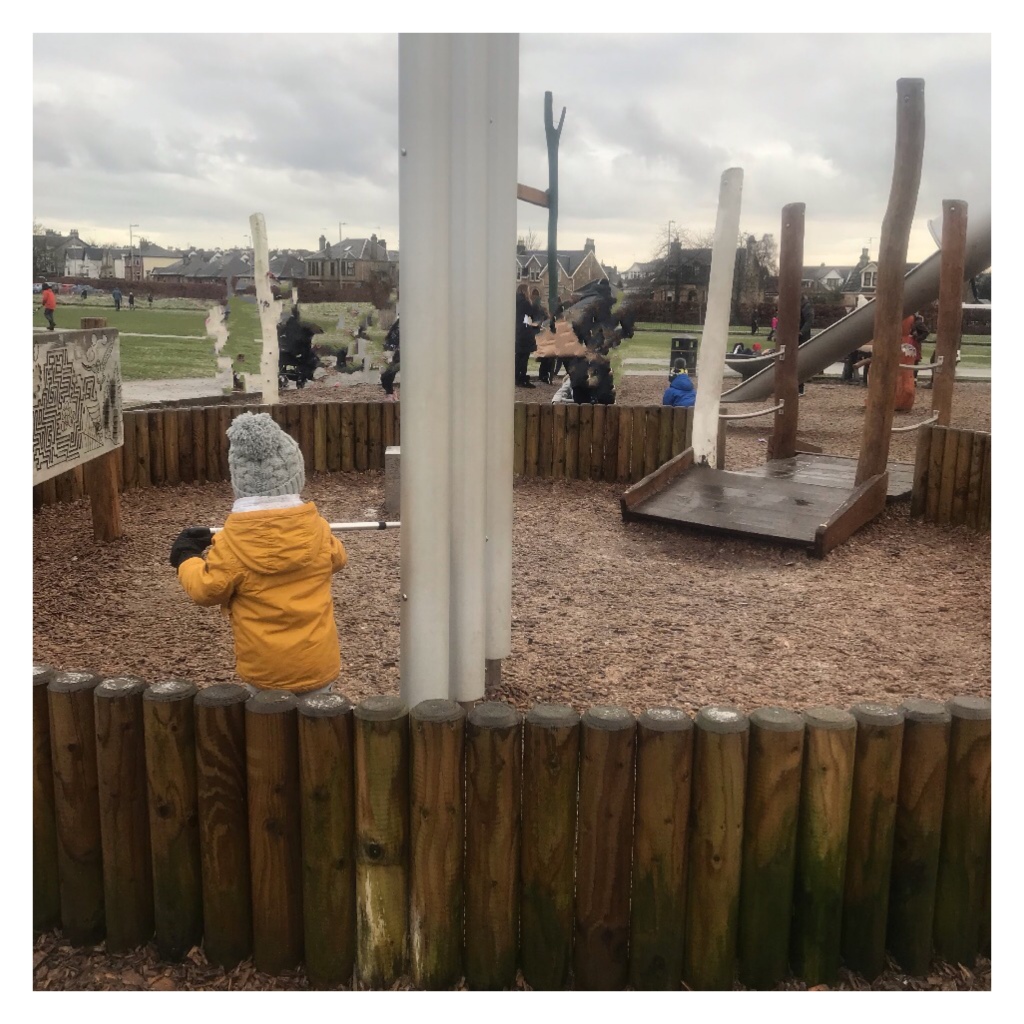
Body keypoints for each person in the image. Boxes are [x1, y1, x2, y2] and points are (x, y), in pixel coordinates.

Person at [170, 412, 348, 696]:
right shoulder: (317, 530)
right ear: (295, 477)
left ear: (239, 484)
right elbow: (338, 558)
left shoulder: (230, 545)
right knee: (320, 726)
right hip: (319, 663)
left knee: (269, 729)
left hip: (265, 671)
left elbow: (206, 590)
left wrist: (186, 558)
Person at [381, 316, 400, 401]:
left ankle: (390, 393)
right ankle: (390, 393)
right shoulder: (398, 324)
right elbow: (390, 338)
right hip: (397, 354)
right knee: (386, 375)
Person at [798, 295, 813, 395]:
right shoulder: (798, 306)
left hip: (801, 337)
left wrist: (801, 332)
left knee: (800, 361)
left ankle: (800, 388)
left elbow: (809, 321)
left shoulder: (806, 306)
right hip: (795, 336)